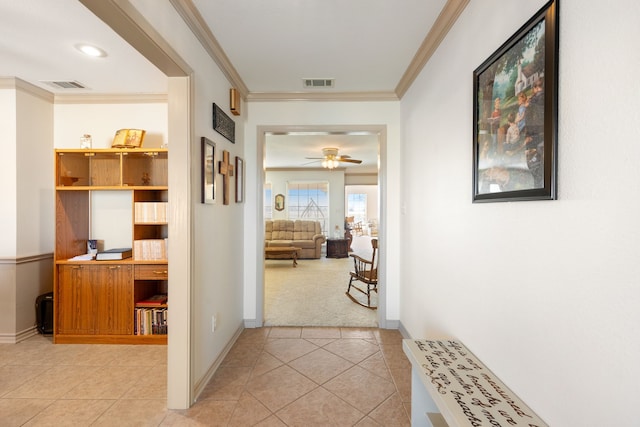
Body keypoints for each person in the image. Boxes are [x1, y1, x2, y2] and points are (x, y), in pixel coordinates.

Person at [523, 79, 544, 188]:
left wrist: (528, 104)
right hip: (540, 132)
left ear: (536, 88)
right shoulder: (539, 98)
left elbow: (528, 117)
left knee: (532, 161)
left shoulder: (534, 100)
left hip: (535, 133)